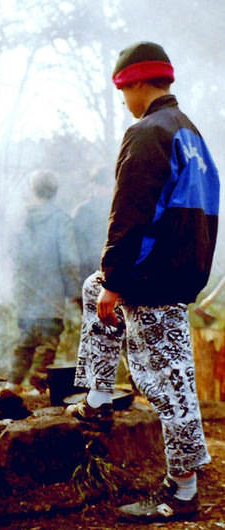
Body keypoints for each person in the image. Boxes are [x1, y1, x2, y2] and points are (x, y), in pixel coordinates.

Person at [66, 41, 220, 523]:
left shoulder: (147, 132)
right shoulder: (191, 135)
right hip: (180, 270)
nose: (125, 102)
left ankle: (182, 491)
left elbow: (129, 213)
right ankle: (96, 398)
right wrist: (109, 282)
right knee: (94, 291)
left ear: (134, 83)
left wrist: (119, 278)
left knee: (168, 383)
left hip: (153, 279)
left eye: (124, 92)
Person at [9, 169, 81, 392]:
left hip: (25, 294)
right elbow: (69, 260)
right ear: (55, 192)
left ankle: (11, 386)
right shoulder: (61, 219)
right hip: (51, 294)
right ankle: (37, 388)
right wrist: (74, 292)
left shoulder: (20, 220)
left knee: (25, 342)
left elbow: (11, 254)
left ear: (33, 190)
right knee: (47, 343)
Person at [72, 166, 113, 287]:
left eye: (107, 185)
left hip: (115, 271)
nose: (105, 189)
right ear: (93, 185)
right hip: (90, 273)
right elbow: (77, 246)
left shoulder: (118, 209)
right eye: (101, 185)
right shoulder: (82, 211)